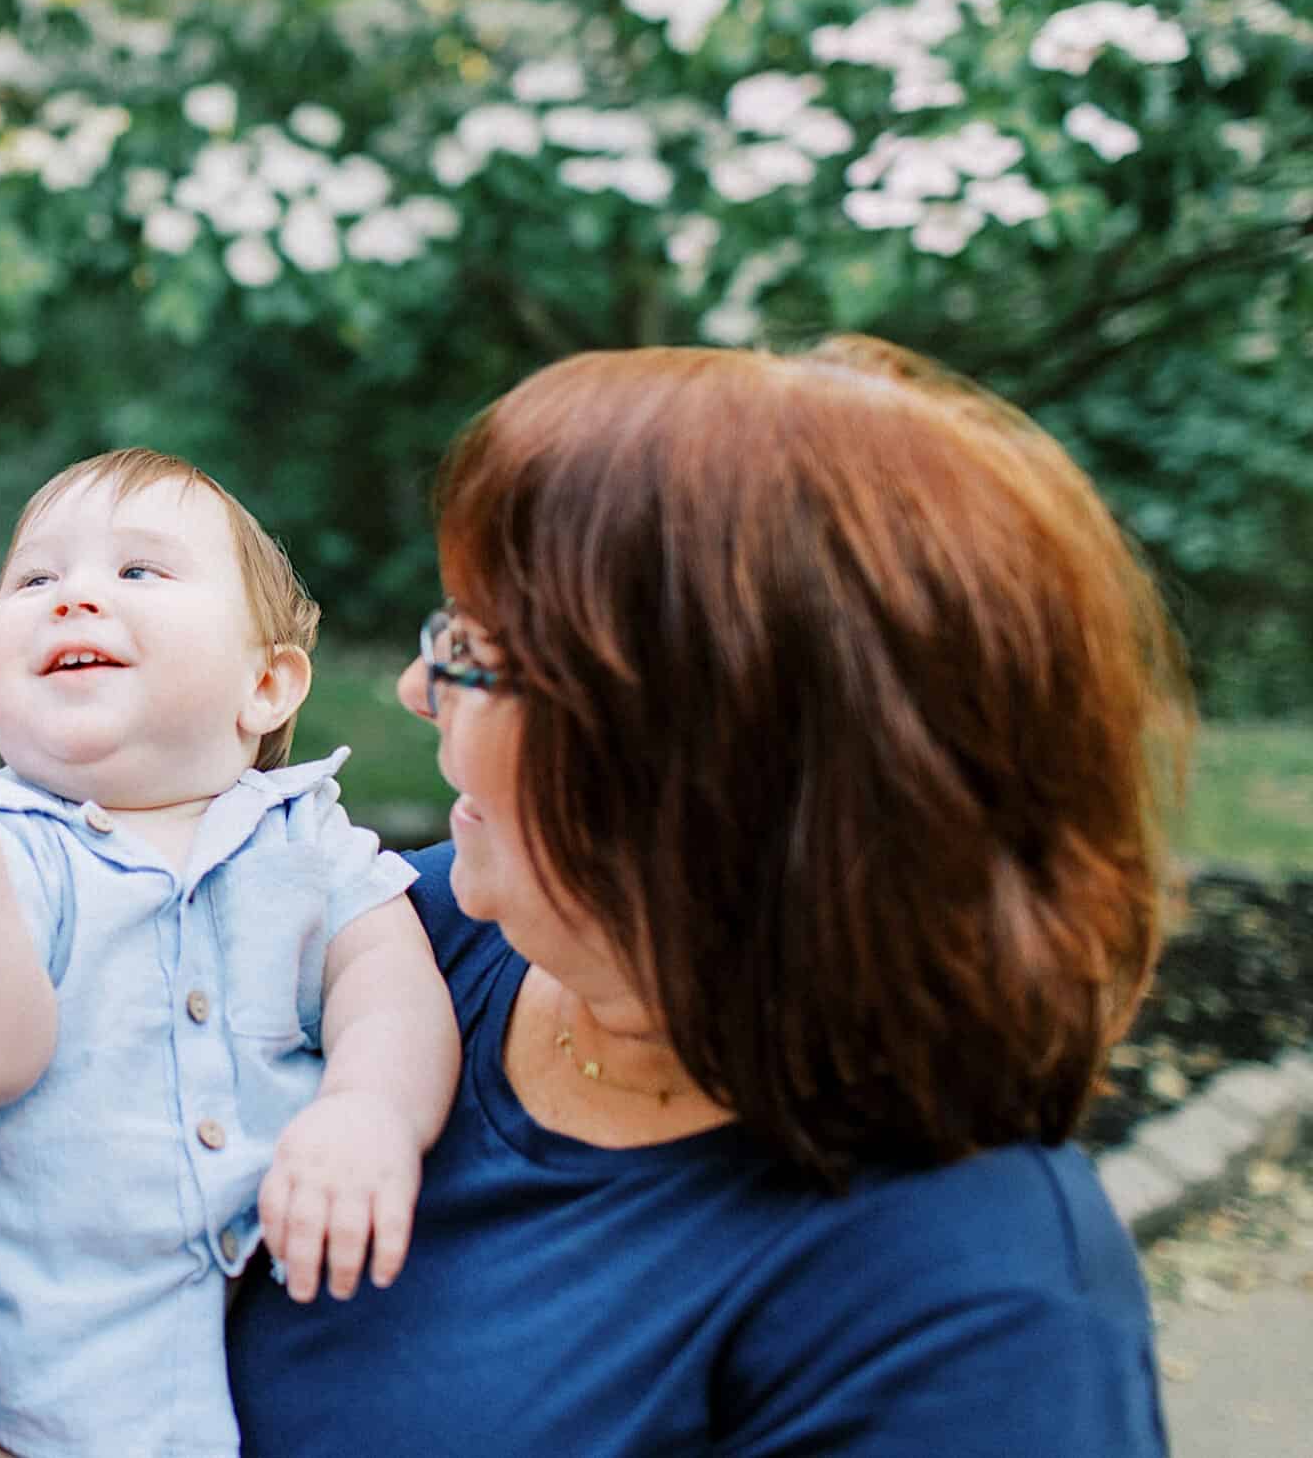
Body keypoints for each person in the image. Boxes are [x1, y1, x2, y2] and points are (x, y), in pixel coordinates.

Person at [226, 336, 1181, 1455]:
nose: (414, 690)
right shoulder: (398, 945)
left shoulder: (974, 1316)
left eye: (475, 654)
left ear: (705, 755)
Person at [0, 448, 461, 1458]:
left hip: (274, 1370)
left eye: (138, 572)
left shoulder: (304, 837)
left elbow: (388, 991)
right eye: (34, 579)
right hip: (27, 1400)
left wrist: (369, 1113)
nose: (73, 598)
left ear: (265, 685)